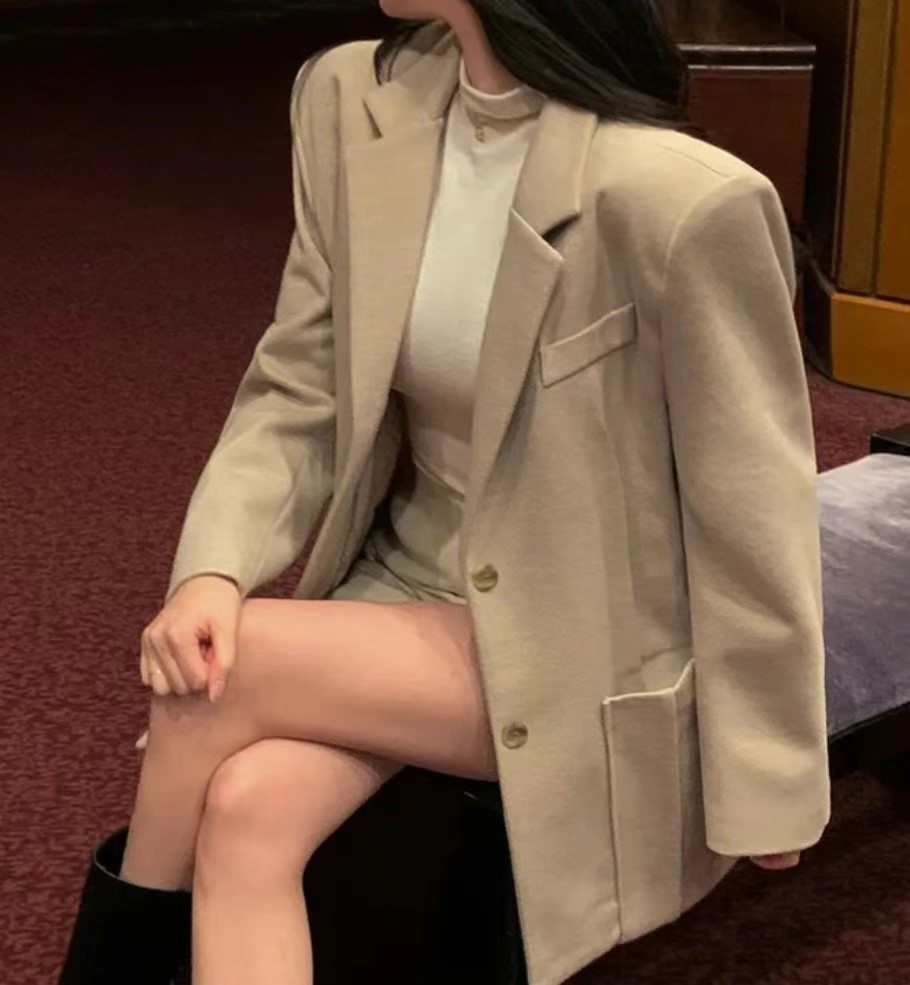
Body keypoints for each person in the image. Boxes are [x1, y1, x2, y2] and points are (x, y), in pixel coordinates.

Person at [57, 2, 832, 984]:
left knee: (221, 674)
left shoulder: (679, 196)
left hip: (583, 637)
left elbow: (751, 512)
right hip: (406, 582)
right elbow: (299, 386)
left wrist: (768, 776)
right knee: (247, 805)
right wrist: (211, 570)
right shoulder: (351, 99)